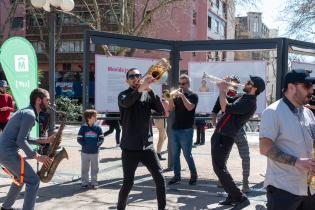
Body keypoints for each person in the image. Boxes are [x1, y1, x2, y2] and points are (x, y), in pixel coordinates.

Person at [259, 69, 315, 210]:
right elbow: (265, 148)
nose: (312, 90)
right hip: (283, 190)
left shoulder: (308, 112)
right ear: (291, 87)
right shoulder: (272, 112)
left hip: (309, 188)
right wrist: (297, 162)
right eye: (307, 86)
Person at [211, 75, 265, 210]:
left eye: (249, 82)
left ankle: (240, 198)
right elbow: (226, 101)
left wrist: (222, 89)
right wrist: (224, 88)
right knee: (221, 167)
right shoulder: (245, 97)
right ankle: (232, 195)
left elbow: (225, 107)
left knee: (219, 168)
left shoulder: (249, 102)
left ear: (255, 88)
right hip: (221, 134)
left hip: (225, 136)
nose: (246, 82)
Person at [117, 68, 166, 210]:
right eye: (132, 76)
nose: (136, 78)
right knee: (128, 183)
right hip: (130, 147)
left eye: (138, 75)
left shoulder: (146, 94)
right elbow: (127, 103)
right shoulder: (123, 95)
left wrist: (149, 89)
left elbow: (160, 110)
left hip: (147, 147)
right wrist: (140, 90)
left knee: (160, 179)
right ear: (127, 80)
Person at [0, 88, 56, 210]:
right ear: (38, 100)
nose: (50, 103)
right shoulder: (29, 115)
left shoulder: (27, 112)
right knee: (33, 181)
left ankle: (6, 207)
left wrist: (45, 140)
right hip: (7, 153)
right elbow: (21, 140)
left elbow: (25, 137)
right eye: (48, 100)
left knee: (20, 178)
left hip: (5, 152)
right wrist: (38, 156)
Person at [211, 75, 251, 193]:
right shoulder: (223, 96)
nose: (234, 86)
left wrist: (224, 91)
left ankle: (245, 183)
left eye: (235, 84)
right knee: (223, 158)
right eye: (232, 83)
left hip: (239, 132)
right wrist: (215, 125)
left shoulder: (241, 96)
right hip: (226, 132)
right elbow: (214, 112)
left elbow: (230, 104)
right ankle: (224, 181)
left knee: (245, 157)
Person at [168, 74, 198, 186]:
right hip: (175, 129)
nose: (181, 85)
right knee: (175, 155)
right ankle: (177, 176)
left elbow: (189, 107)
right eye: (180, 83)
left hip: (187, 129)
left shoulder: (193, 95)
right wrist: (170, 97)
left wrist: (182, 96)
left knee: (187, 154)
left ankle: (194, 175)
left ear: (188, 84)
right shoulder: (177, 96)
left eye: (183, 83)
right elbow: (170, 109)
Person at [77, 109, 104, 189]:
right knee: (84, 168)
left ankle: (94, 183)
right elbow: (79, 138)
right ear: (89, 118)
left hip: (95, 152)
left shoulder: (98, 128)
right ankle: (84, 183)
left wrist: (97, 144)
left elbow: (101, 138)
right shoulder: (83, 128)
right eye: (94, 117)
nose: (96, 118)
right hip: (85, 152)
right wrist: (84, 145)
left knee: (95, 169)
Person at [153, 95, 170, 161]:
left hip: (157, 120)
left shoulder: (159, 102)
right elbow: (167, 113)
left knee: (164, 136)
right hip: (161, 120)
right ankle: (158, 153)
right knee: (162, 137)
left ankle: (158, 152)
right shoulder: (165, 102)